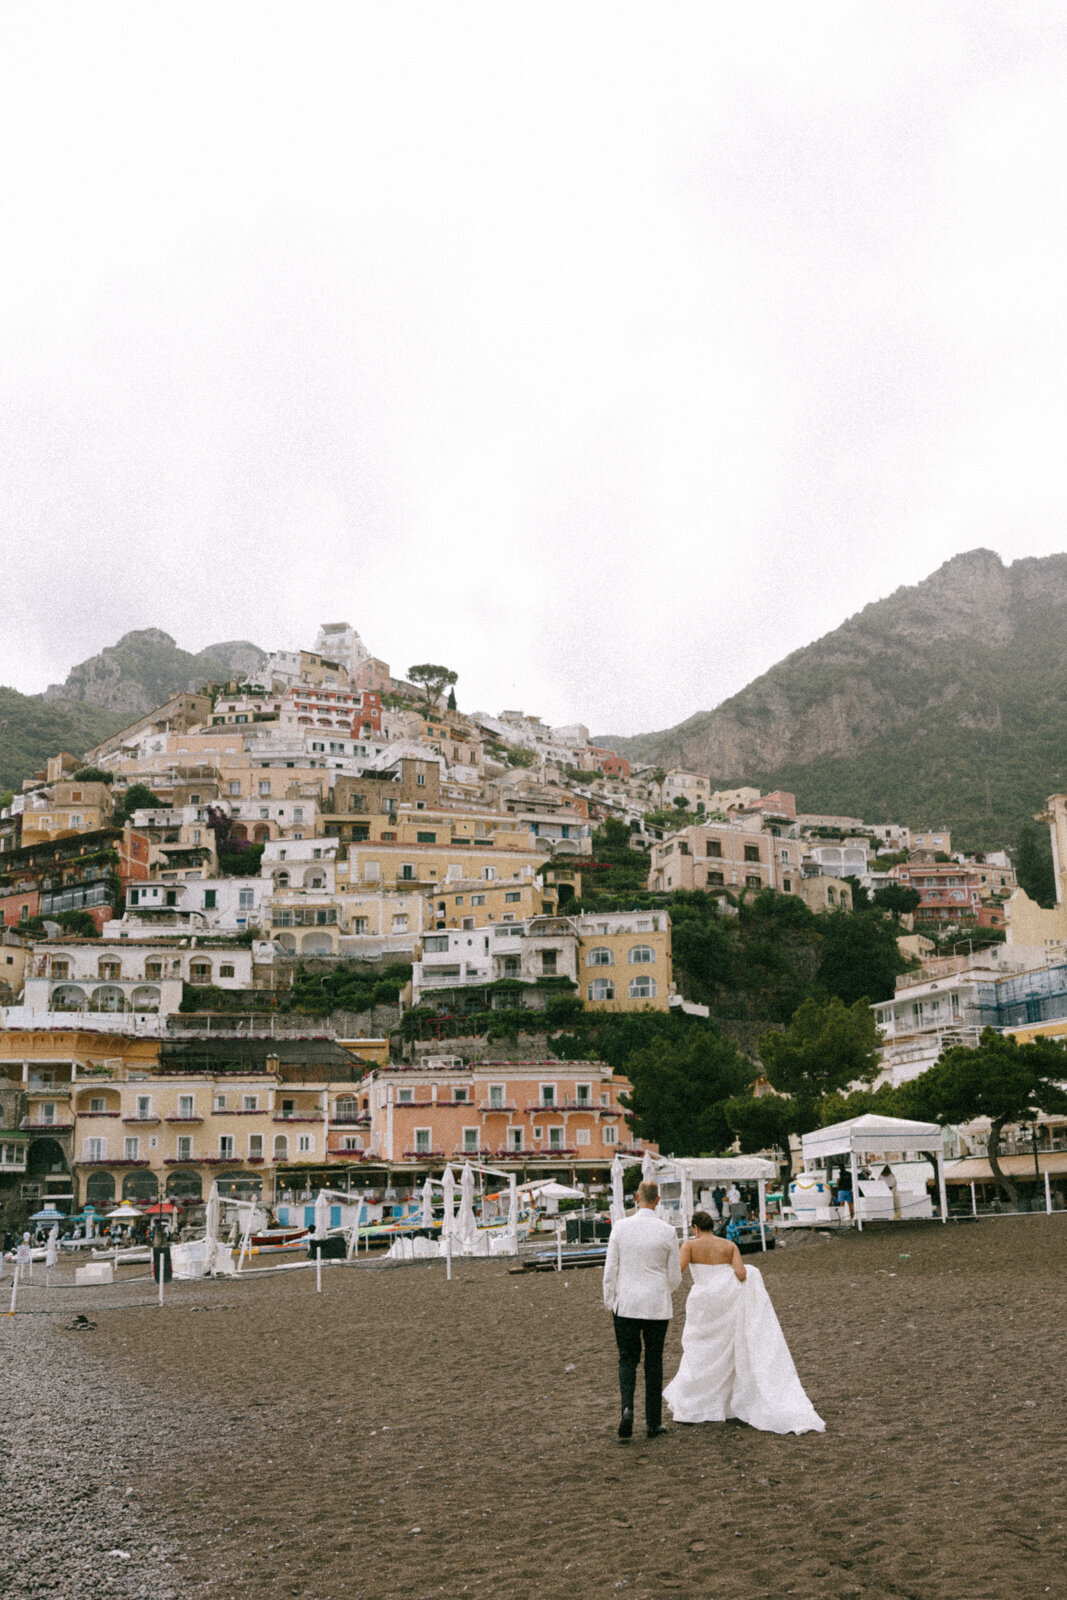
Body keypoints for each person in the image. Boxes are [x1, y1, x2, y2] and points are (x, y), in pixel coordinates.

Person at [663, 1212, 824, 1435]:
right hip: (726, 1305)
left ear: (695, 1228)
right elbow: (740, 1273)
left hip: (703, 1304)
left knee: (700, 1352)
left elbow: (678, 1271)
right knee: (726, 1353)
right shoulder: (729, 1246)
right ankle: (724, 1404)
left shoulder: (689, 1246)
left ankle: (697, 1405)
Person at [603, 1179, 681, 1441]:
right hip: (657, 1305)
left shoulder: (621, 1228)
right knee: (654, 1361)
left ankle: (627, 1408)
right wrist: (662, 1290)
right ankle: (653, 1423)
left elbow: (610, 1269)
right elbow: (675, 1276)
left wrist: (609, 1300)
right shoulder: (668, 1231)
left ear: (637, 1197)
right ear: (658, 1200)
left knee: (627, 1359)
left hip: (626, 1303)